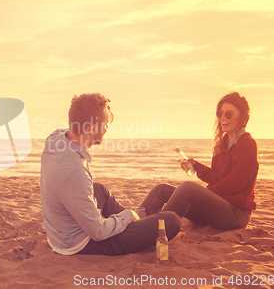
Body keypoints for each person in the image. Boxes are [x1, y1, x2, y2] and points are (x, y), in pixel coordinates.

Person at [40, 93, 181, 256]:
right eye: (107, 122)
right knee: (172, 221)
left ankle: (141, 226)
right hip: (80, 245)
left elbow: (78, 120)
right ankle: (143, 227)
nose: (108, 127)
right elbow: (98, 232)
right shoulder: (74, 172)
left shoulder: (55, 138)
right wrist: (128, 215)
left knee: (99, 190)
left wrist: (96, 104)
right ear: (92, 128)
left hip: (59, 231)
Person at [136, 92, 258, 230]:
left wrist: (205, 194)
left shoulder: (246, 142)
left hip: (236, 215)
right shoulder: (222, 143)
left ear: (242, 117)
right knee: (161, 189)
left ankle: (155, 230)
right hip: (217, 209)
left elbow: (237, 182)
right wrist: (196, 166)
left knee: (188, 188)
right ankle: (135, 222)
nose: (223, 118)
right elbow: (216, 178)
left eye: (228, 114)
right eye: (220, 114)